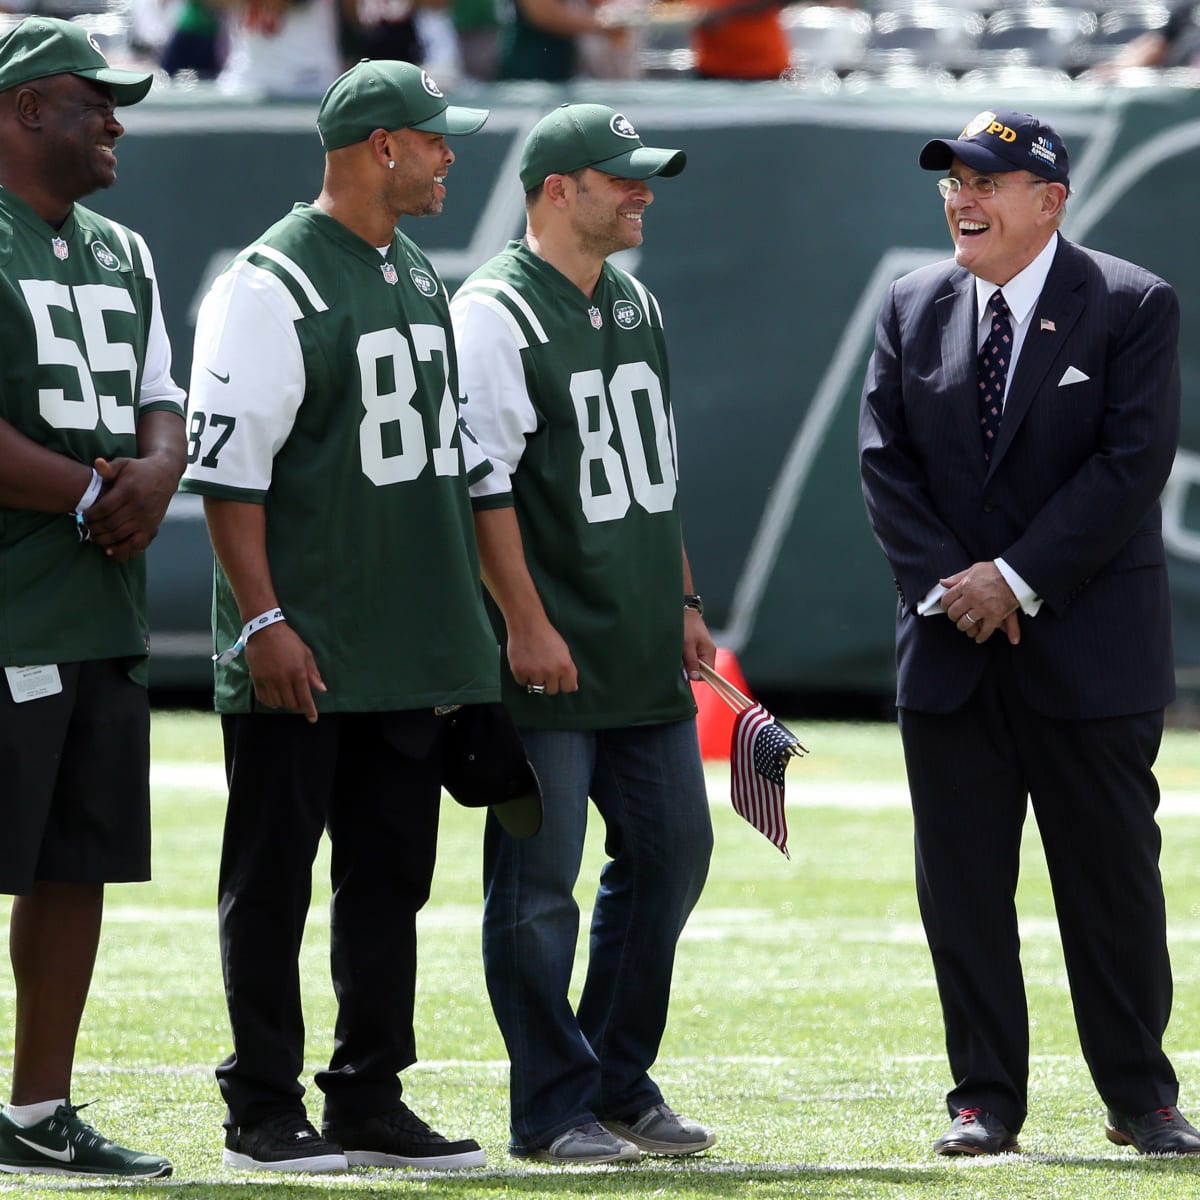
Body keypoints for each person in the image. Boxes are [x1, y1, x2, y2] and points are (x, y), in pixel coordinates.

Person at [179, 59, 517, 1174]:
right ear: (382, 148)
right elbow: (230, 478)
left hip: (405, 648)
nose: (448, 158)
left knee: (388, 887)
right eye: (434, 141)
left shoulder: (414, 270)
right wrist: (262, 622)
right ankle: (263, 1106)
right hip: (307, 648)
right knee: (271, 883)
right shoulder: (268, 282)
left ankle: (369, 1093)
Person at [858, 108, 1199, 1158]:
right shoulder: (911, 304)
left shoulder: (1132, 303)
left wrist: (1014, 578)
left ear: (1048, 200)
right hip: (950, 653)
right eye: (953, 179)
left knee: (1111, 888)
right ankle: (982, 1100)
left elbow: (1129, 467)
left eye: (987, 180)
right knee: (961, 893)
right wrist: (957, 589)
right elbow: (885, 464)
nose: (962, 196)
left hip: (1087, 655)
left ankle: (1140, 1097)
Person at [450, 102, 716, 1165]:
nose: (643, 193)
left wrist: (687, 603)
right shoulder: (493, 314)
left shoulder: (636, 303)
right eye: (625, 179)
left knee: (672, 854)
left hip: (642, 638)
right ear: (559, 189)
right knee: (536, 886)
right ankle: (550, 1104)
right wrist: (523, 622)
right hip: (548, 648)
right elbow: (483, 488)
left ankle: (615, 1077)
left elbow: (656, 475)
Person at [0, 15, 185, 1181]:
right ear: (23, 111)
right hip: (10, 601)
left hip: (96, 609)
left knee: (77, 861)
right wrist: (85, 493)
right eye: (91, 101)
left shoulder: (124, 251)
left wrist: (158, 473)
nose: (115, 122)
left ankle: (36, 1110)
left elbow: (161, 394)